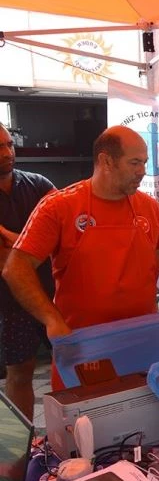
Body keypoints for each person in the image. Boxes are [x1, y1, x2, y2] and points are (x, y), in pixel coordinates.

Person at [2, 126, 159, 392]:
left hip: (142, 343)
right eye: (134, 162)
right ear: (106, 161)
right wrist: (52, 319)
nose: (142, 170)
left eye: (144, 162)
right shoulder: (58, 206)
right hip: (84, 347)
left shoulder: (149, 207)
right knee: (87, 423)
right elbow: (15, 267)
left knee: (142, 421)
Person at [0, 123, 55, 419]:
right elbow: (7, 263)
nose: (7, 153)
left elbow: (63, 236)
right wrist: (33, 244)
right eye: (0, 148)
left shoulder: (38, 184)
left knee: (73, 366)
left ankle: (74, 434)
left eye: (9, 145)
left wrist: (9, 236)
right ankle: (24, 445)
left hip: (55, 295)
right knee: (19, 372)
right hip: (11, 304)